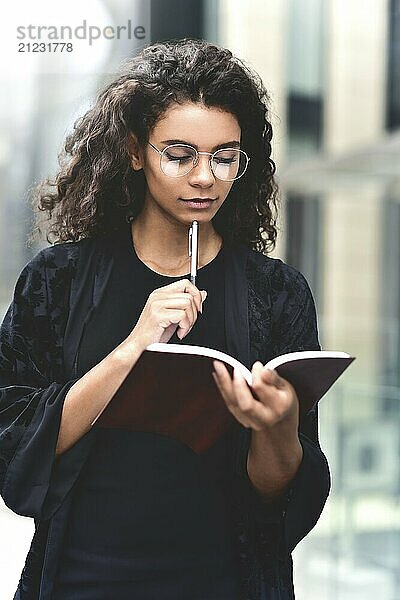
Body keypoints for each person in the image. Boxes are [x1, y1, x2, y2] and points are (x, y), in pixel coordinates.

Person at [0, 38, 330, 600]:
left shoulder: (278, 293)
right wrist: (134, 345)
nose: (205, 177)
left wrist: (275, 428)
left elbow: (278, 497)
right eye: (180, 154)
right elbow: (16, 446)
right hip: (83, 579)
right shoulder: (57, 280)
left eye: (225, 157)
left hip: (227, 581)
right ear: (134, 151)